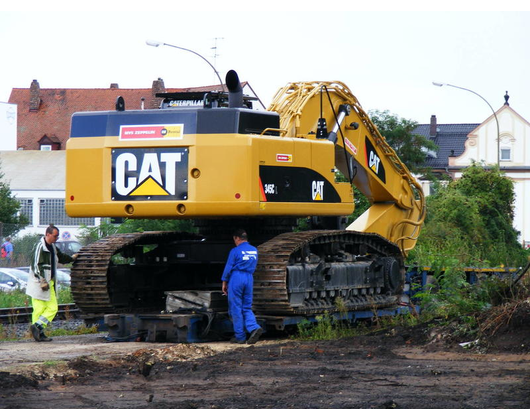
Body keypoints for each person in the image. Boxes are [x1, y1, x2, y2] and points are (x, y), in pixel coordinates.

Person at [26, 225, 76, 342]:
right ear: (48, 234)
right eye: (55, 236)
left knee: (52, 308)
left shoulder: (53, 247)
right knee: (39, 309)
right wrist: (41, 280)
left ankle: (37, 327)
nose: (57, 238)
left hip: (50, 283)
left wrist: (72, 258)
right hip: (39, 283)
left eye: (57, 236)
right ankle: (39, 334)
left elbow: (62, 257)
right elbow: (35, 265)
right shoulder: (40, 247)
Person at [221, 229, 263, 344]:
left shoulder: (235, 251)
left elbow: (229, 267)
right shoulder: (254, 250)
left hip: (237, 277)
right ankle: (254, 327)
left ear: (237, 238)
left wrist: (224, 282)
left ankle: (240, 336)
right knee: (247, 307)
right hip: (249, 278)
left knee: (236, 307)